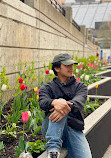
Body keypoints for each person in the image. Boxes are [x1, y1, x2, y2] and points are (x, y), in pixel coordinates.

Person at [39, 53, 92, 158]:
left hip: (73, 129)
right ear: (57, 68)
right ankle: (53, 149)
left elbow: (79, 102)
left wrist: (62, 106)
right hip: (52, 129)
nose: (71, 68)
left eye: (72, 65)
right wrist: (54, 102)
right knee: (61, 101)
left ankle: (54, 150)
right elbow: (42, 102)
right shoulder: (47, 88)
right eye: (67, 65)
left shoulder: (80, 86)